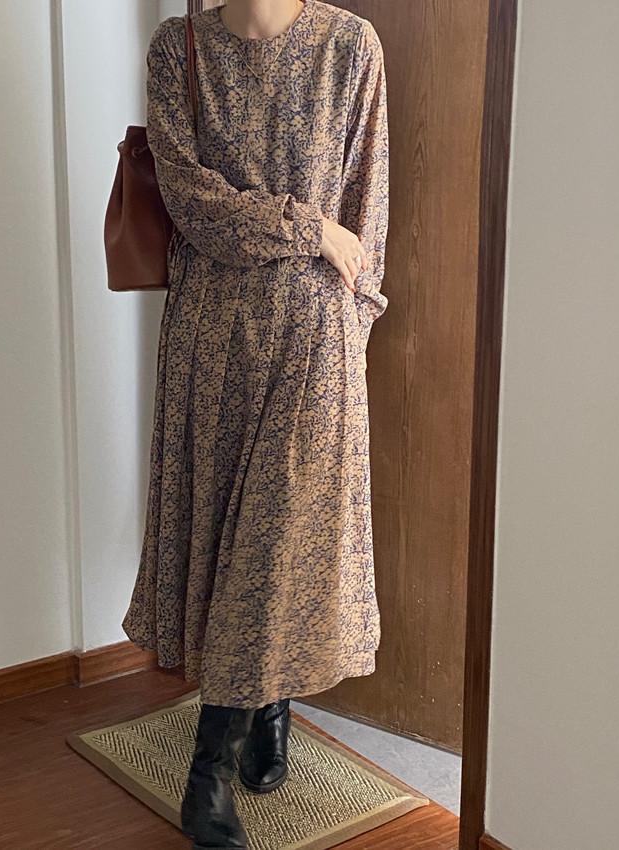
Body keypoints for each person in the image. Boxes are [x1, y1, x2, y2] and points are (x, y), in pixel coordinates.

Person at [122, 1, 389, 846]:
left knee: (280, 543)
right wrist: (311, 227)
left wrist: (354, 325)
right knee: (231, 543)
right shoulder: (180, 49)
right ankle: (268, 703)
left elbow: (367, 208)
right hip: (211, 341)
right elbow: (192, 202)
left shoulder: (350, 46)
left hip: (313, 338)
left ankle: (208, 770)